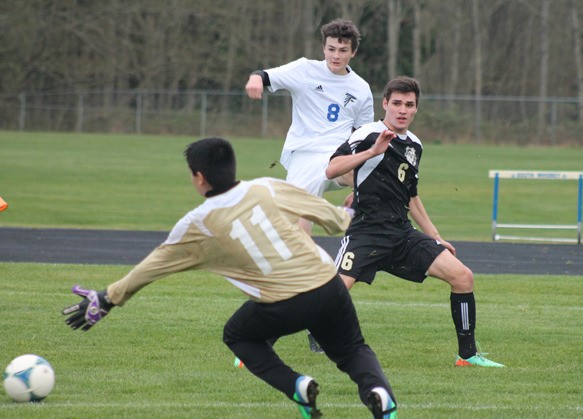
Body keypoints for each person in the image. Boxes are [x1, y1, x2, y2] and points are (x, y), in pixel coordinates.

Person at [62, 137, 398, 419]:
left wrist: (108, 298)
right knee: (352, 348)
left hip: (285, 302)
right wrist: (349, 210)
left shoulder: (198, 223)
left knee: (238, 336)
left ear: (198, 178)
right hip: (328, 284)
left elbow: (153, 266)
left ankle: (296, 385)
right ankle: (380, 395)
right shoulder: (267, 187)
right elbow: (336, 221)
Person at [324, 76, 505, 368]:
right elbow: (332, 169)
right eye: (396, 103)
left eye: (409, 105)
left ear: (416, 109)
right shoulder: (369, 134)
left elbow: (411, 197)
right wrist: (371, 153)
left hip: (401, 235)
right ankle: (260, 340)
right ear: (385, 104)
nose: (402, 110)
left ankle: (468, 356)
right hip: (365, 234)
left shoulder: (415, 145)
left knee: (463, 277)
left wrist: (435, 237)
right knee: (327, 296)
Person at [245, 18, 373, 235]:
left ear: (353, 53)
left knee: (377, 178)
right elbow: (265, 75)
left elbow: (362, 138)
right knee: (297, 221)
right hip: (304, 154)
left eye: (343, 50)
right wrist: (255, 79)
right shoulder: (305, 70)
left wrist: (361, 188)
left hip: (336, 155)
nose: (335, 55)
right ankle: (307, 259)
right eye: (331, 49)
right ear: (323, 48)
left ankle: (390, 230)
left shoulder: (361, 89)